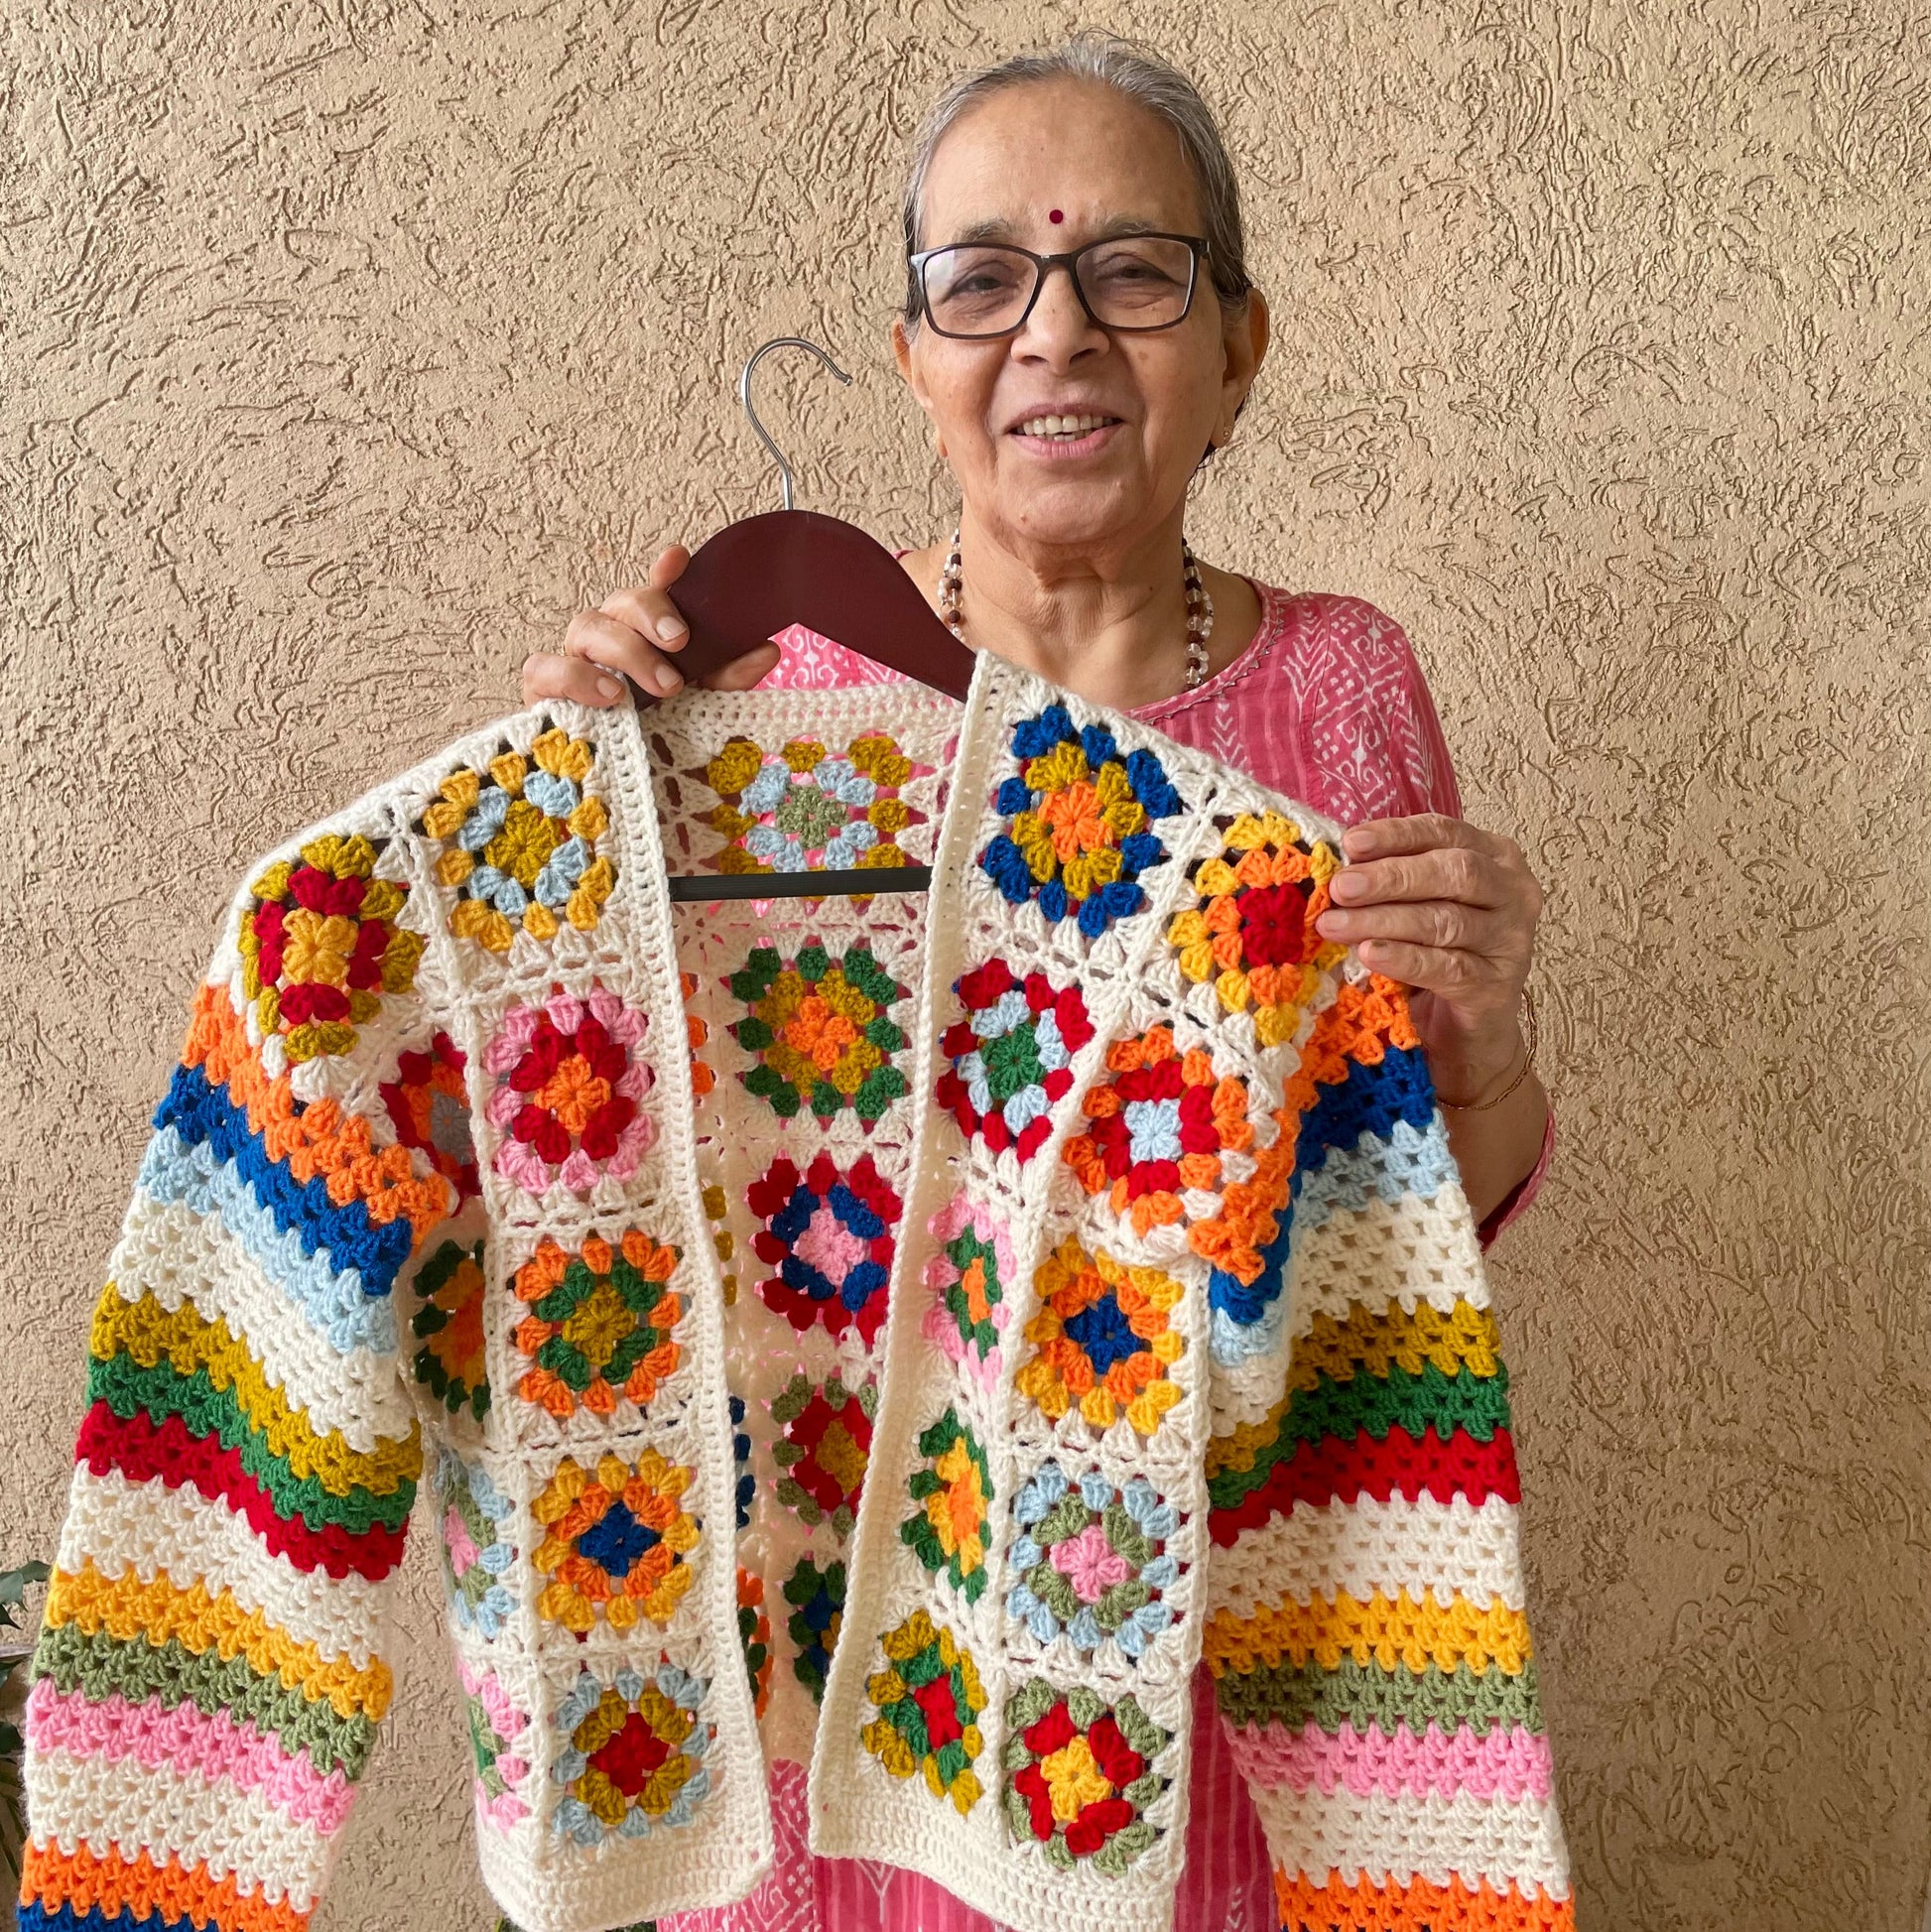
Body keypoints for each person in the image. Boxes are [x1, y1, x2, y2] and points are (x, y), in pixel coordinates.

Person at [515, 32, 1553, 1932]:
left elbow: (1405, 1274)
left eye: (1129, 272)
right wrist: (565, 851)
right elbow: (609, 1218)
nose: (1054, 334)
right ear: (915, 359)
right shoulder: (760, 719)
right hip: (823, 1699)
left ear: (1235, 345)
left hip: (1195, 1699)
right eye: (980, 281)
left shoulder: (1339, 690)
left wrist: (1478, 1048)